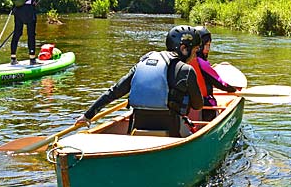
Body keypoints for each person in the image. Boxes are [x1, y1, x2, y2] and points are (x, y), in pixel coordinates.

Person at [74, 25, 204, 137]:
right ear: (183, 48)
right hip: (172, 130)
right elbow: (198, 105)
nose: (195, 55)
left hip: (137, 127)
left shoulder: (142, 63)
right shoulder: (187, 70)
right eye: (195, 50)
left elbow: (115, 91)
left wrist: (88, 115)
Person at [193, 26, 239, 121]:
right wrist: (234, 89)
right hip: (205, 108)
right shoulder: (201, 62)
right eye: (207, 45)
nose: (208, 49)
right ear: (199, 47)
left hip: (189, 106)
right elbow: (220, 83)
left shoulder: (183, 61)